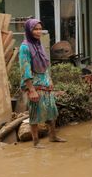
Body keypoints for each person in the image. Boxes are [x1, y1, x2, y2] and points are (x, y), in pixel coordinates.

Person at [19, 19, 66, 147]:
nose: (38, 32)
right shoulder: (25, 47)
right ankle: (36, 142)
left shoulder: (39, 44)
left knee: (51, 110)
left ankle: (53, 136)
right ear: (29, 31)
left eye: (40, 29)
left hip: (45, 82)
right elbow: (25, 69)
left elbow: (45, 64)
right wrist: (31, 89)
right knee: (35, 113)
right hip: (34, 84)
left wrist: (49, 79)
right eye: (35, 29)